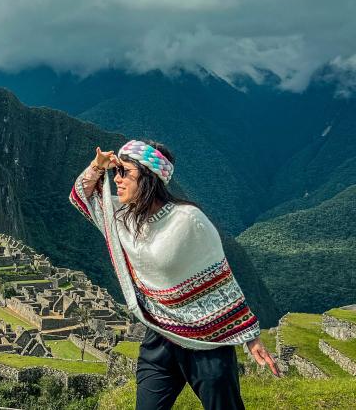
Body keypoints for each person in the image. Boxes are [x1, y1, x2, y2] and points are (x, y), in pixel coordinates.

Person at [69, 139, 279, 410]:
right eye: (115, 172)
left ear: (148, 178)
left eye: (124, 172)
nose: (117, 179)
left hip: (206, 340)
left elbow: (222, 282)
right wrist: (97, 167)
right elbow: (80, 196)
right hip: (159, 337)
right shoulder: (121, 216)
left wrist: (250, 336)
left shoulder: (189, 221)